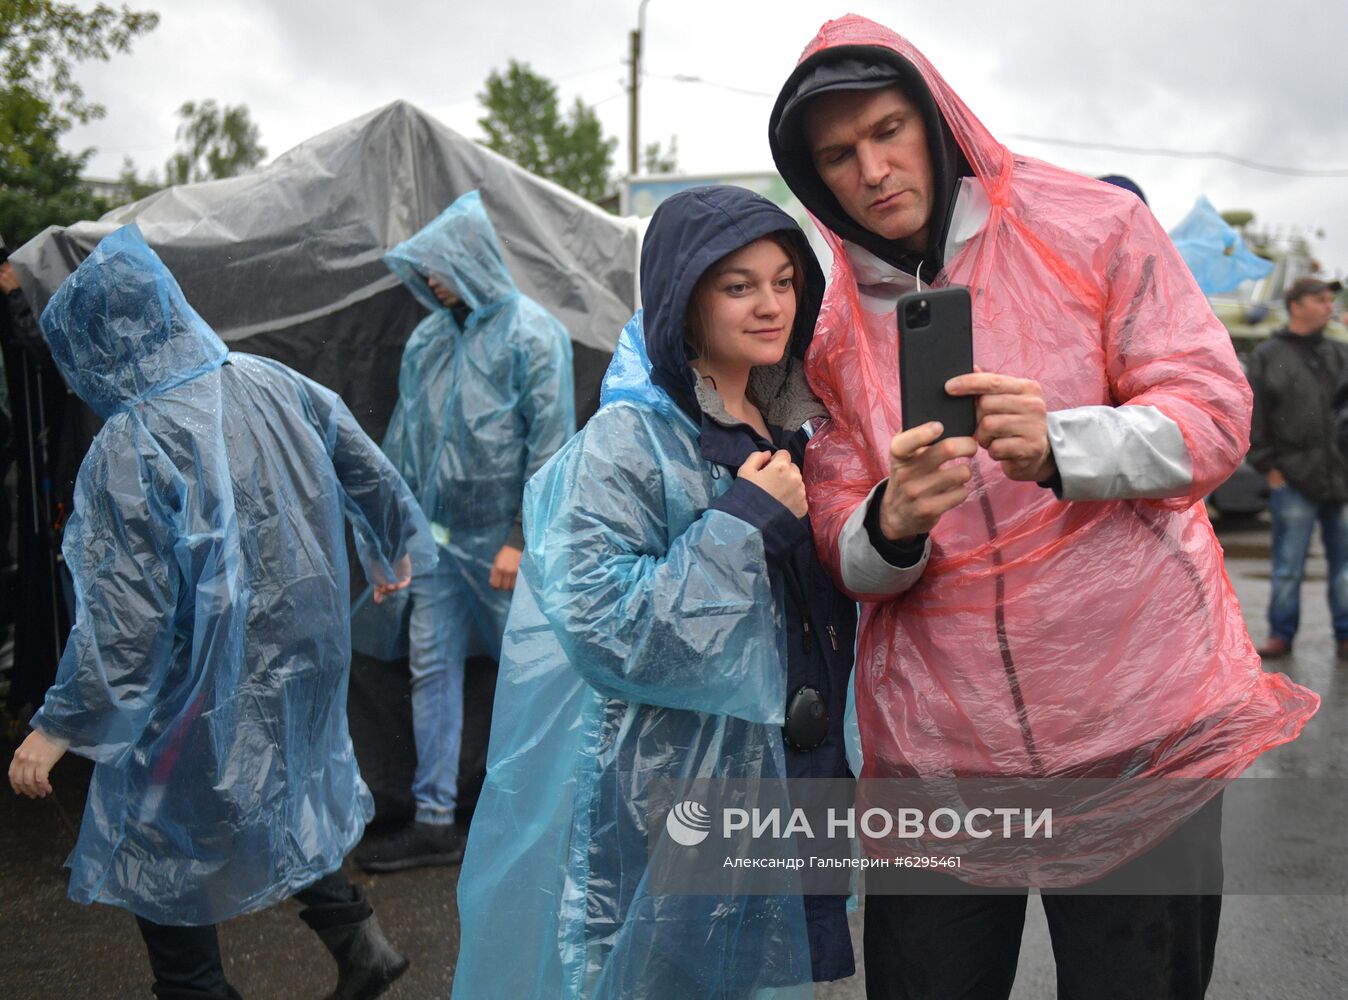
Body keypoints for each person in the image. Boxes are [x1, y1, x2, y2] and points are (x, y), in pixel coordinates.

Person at [767, 15, 1319, 1000]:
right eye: (838, 155)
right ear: (813, 178)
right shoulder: (831, 325)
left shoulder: (1090, 227)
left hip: (1135, 730)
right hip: (939, 755)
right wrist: (893, 522)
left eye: (888, 130)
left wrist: (1067, 444)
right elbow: (839, 535)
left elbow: (1214, 414)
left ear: (932, 119)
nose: (872, 169)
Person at [451, 185, 865, 998]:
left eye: (784, 281)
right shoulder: (628, 441)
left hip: (790, 776)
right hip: (671, 793)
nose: (771, 304)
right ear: (683, 295)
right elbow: (605, 626)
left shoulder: (793, 427)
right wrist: (743, 527)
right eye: (738, 285)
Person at [6, 225, 437, 1000]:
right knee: (279, 789)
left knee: (159, 832)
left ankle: (197, 990)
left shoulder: (129, 441)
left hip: (198, 669)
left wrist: (62, 722)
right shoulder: (273, 380)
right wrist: (392, 546)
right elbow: (363, 461)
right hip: (304, 645)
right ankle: (362, 945)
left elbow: (126, 615)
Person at [352, 189, 576, 872]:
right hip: (437, 542)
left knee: (533, 674)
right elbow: (404, 446)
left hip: (503, 546)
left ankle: (536, 818)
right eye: (426, 269)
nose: (434, 280)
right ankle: (433, 819)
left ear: (473, 258)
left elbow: (550, 448)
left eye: (442, 265)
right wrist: (394, 540)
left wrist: (518, 536)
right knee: (433, 672)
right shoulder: (427, 342)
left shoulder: (534, 335)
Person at [1248, 276, 1348, 659]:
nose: (1328, 306)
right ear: (1296, 306)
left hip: (1339, 477)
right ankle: (1281, 634)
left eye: (1330, 300)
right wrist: (1268, 466)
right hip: (1290, 477)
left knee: (1343, 568)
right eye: (1320, 299)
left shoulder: (1341, 353)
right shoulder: (1267, 355)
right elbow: (1253, 416)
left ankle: (1345, 634)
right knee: (1288, 565)